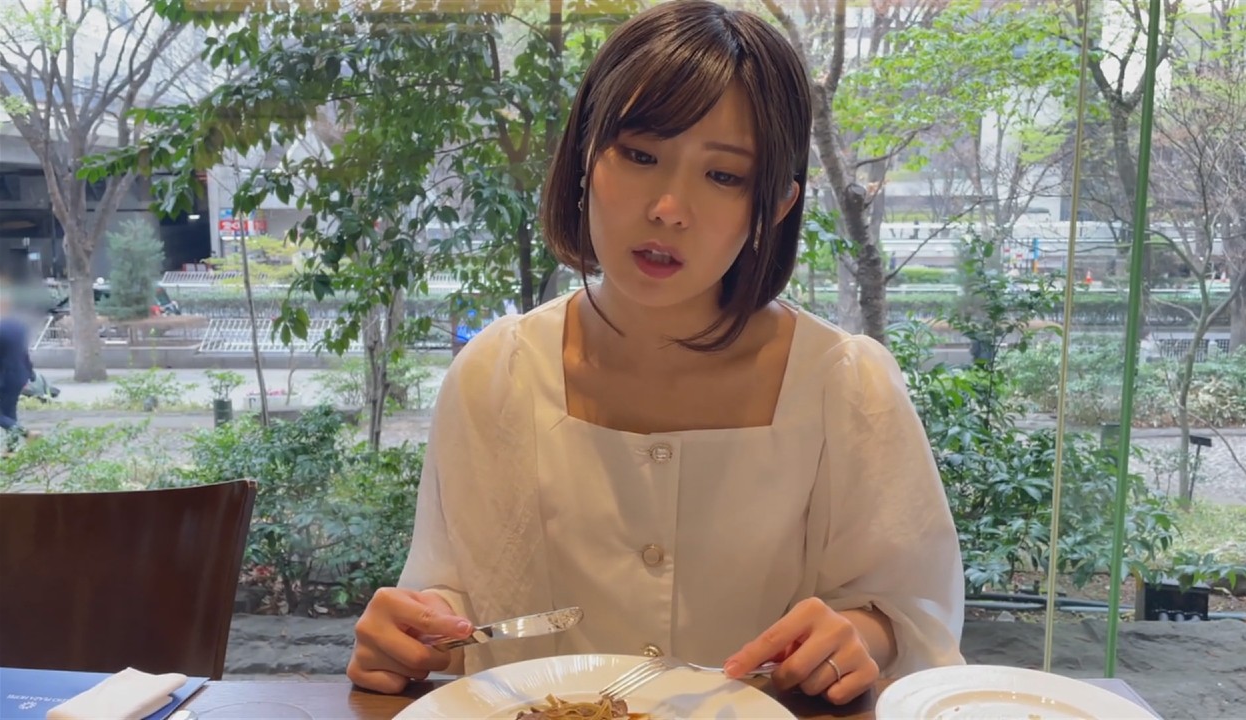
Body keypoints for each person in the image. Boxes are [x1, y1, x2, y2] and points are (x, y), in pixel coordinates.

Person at [347, 0, 963, 706]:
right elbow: (461, 594)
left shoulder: (843, 384)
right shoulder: (499, 374)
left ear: (774, 205)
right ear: (584, 158)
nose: (669, 207)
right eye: (640, 155)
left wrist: (861, 637)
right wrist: (413, 630)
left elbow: (910, 613)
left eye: (724, 176)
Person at [0, 281, 38, 451]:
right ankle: (11, 450)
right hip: (18, 376)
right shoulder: (19, 327)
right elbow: (24, 352)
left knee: (3, 415)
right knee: (9, 412)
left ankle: (26, 433)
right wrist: (30, 372)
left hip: (3, 377)